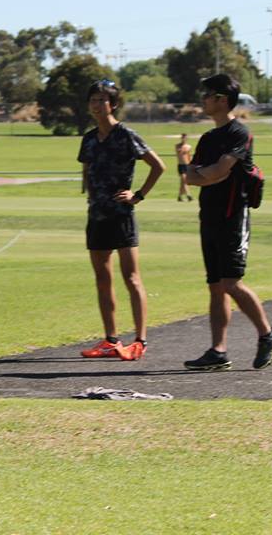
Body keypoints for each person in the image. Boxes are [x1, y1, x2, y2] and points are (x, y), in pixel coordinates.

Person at [182, 74, 272, 371]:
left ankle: (268, 334)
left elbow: (215, 173)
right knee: (215, 286)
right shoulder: (208, 138)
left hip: (232, 216)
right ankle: (218, 351)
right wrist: (203, 172)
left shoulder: (239, 133)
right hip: (209, 215)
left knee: (231, 283)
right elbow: (191, 177)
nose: (203, 100)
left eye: (208, 95)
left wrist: (204, 173)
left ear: (222, 100)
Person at [77, 80, 165, 361]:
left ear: (113, 104)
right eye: (93, 99)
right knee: (102, 279)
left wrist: (138, 195)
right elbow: (87, 168)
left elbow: (158, 166)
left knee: (132, 278)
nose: (97, 104)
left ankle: (140, 341)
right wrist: (91, 195)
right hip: (97, 216)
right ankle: (110, 340)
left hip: (121, 216)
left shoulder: (126, 135)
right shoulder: (89, 138)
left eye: (102, 100)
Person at [175, 132, 193, 202]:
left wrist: (191, 164)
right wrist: (181, 150)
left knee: (183, 182)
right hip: (181, 165)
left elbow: (189, 156)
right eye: (182, 137)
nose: (183, 139)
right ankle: (189, 195)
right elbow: (179, 152)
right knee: (184, 180)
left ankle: (179, 196)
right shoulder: (177, 146)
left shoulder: (188, 147)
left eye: (184, 137)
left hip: (187, 165)